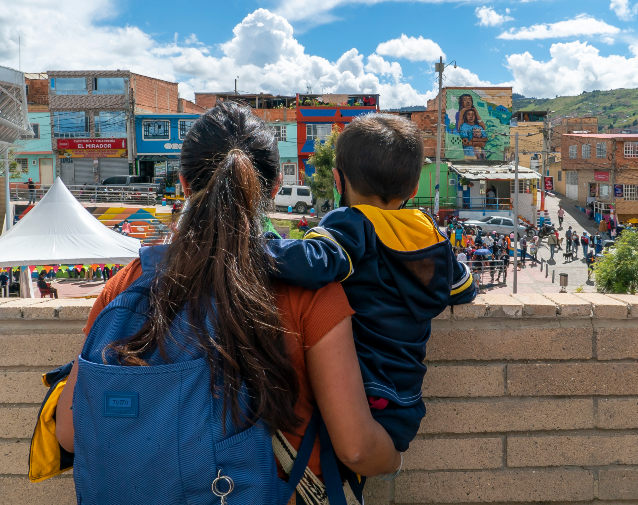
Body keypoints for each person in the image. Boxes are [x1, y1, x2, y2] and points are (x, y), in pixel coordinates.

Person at [40, 102, 401, 504]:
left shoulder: (129, 284)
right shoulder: (312, 293)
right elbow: (356, 448)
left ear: (183, 183)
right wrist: (394, 460)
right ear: (276, 186)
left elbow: (69, 432)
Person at [264, 113, 477, 460]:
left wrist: (256, 246)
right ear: (412, 189)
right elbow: (463, 287)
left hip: (360, 397)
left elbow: (315, 261)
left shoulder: (352, 224)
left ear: (337, 180)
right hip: (404, 404)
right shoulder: (427, 232)